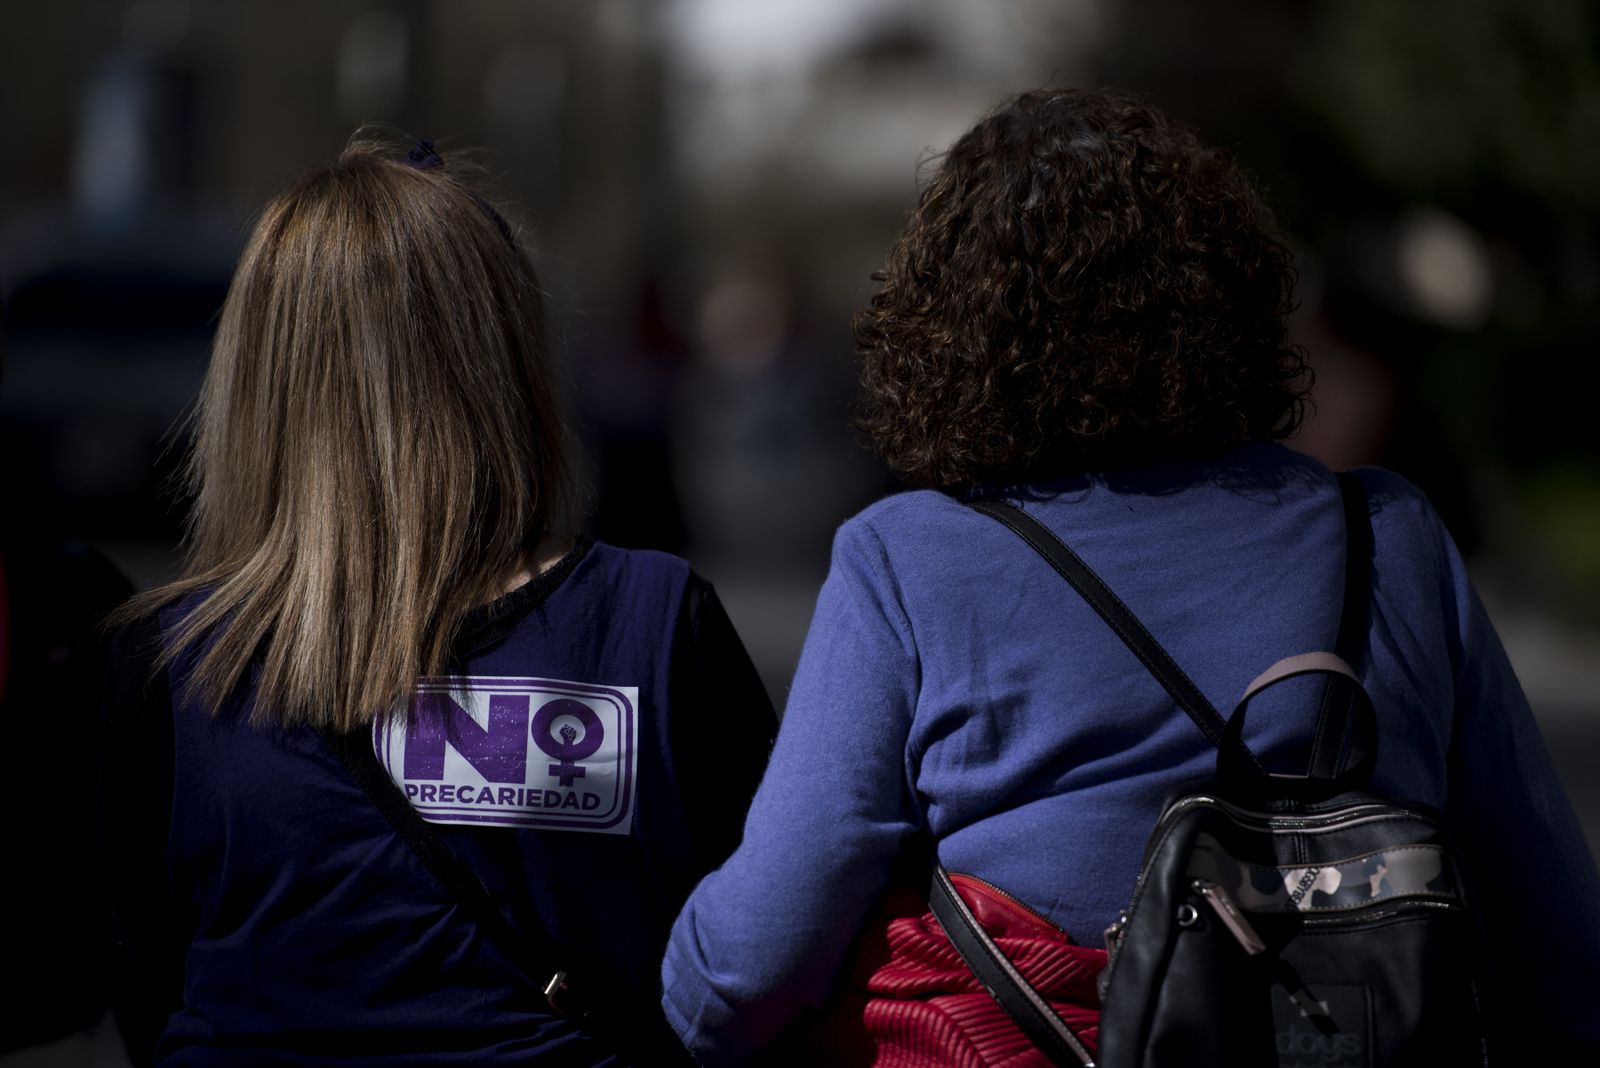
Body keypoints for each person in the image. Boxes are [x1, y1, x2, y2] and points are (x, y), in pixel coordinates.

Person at [661, 88, 1600, 1062]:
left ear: (956, 330)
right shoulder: (1389, 534)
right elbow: (1559, 950)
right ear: (1229, 300)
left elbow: (752, 963)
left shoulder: (906, 558)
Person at [96, 133, 776, 1066]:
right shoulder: (650, 626)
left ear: (258, 376)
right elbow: (761, 954)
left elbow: (144, 982)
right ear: (504, 360)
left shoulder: (171, 665)